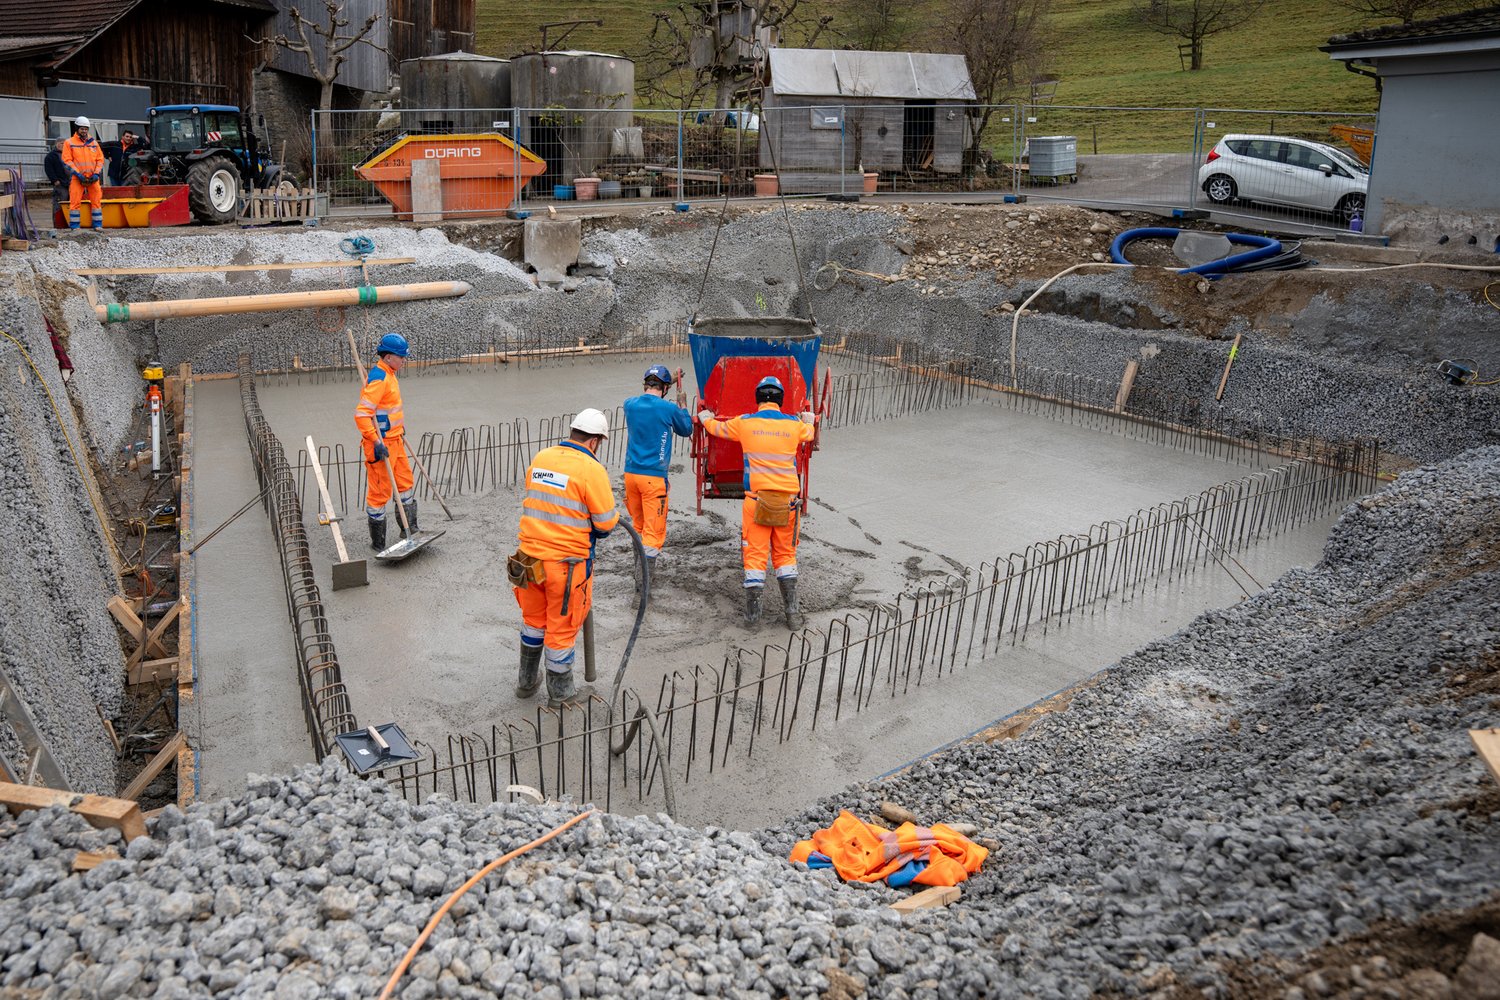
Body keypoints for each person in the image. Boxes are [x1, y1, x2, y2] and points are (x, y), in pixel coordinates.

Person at [509, 409, 620, 705]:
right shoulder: (591, 468)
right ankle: (561, 694)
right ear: (595, 441)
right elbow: (606, 524)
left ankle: (526, 682)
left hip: (527, 560)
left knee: (533, 620)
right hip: (566, 566)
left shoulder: (542, 457)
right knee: (561, 628)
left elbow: (539, 498)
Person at [699, 375, 817, 629]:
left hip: (756, 502)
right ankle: (793, 616)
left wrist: (704, 417)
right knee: (785, 556)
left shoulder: (745, 423)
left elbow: (715, 429)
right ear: (780, 399)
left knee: (755, 558)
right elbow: (809, 433)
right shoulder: (794, 425)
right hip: (787, 504)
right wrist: (810, 419)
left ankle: (752, 621)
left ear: (758, 398)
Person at [622, 364, 693, 565]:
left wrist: (664, 383)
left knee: (638, 525)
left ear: (645, 384)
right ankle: (644, 584)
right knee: (653, 534)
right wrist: (683, 406)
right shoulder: (669, 408)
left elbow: (649, 399)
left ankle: (638, 574)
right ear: (664, 388)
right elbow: (686, 429)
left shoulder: (629, 405)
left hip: (631, 476)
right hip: (653, 479)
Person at [354, 333, 418, 552]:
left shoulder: (390, 374)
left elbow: (388, 410)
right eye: (401, 357)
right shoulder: (378, 379)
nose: (404, 360)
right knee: (379, 493)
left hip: (395, 440)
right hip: (380, 446)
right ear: (389, 357)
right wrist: (375, 441)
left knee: (405, 484)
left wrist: (397, 428)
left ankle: (409, 529)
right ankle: (378, 542)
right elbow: (362, 415)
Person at [59, 117, 105, 231]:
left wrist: (96, 174)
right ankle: (75, 227)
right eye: (82, 129)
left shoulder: (93, 143)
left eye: (86, 129)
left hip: (93, 177)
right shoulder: (69, 143)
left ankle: (98, 225)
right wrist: (78, 174)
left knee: (96, 202)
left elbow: (100, 160)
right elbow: (67, 160)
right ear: (77, 128)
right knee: (74, 202)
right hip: (77, 178)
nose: (84, 131)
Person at [43, 139, 68, 221]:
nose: (63, 145)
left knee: (69, 204)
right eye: (61, 143)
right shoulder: (51, 156)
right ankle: (58, 223)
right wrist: (55, 181)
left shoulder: (68, 154)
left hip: (70, 183)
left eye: (65, 143)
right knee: (59, 204)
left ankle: (67, 223)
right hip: (60, 184)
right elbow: (49, 170)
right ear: (56, 144)